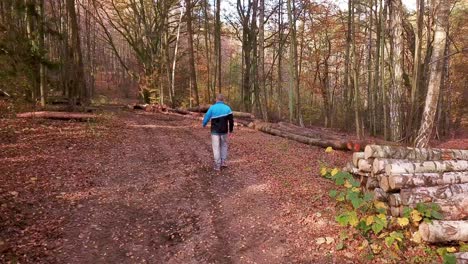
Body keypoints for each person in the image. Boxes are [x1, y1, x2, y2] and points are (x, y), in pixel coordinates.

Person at [202, 94, 234, 171]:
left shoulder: (212, 108)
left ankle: (217, 165)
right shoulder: (227, 108)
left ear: (216, 99)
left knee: (216, 148)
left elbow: (207, 116)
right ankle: (223, 162)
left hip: (215, 132)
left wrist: (204, 124)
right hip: (224, 131)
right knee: (224, 146)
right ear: (223, 100)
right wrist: (231, 130)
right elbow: (231, 121)